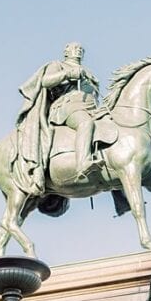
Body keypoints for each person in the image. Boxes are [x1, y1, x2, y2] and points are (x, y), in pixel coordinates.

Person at [14, 42, 106, 191]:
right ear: (66, 52)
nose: (78, 51)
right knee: (85, 124)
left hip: (92, 108)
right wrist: (68, 74)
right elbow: (45, 81)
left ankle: (119, 194)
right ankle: (83, 162)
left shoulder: (88, 72)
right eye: (74, 48)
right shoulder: (58, 65)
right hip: (68, 107)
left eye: (81, 49)